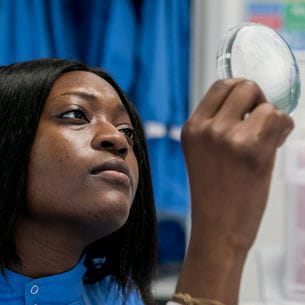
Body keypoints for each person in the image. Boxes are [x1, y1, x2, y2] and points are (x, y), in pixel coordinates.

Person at [0, 58, 293, 305]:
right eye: (76, 114)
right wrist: (221, 238)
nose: (118, 140)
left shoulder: (120, 297)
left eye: (127, 131)